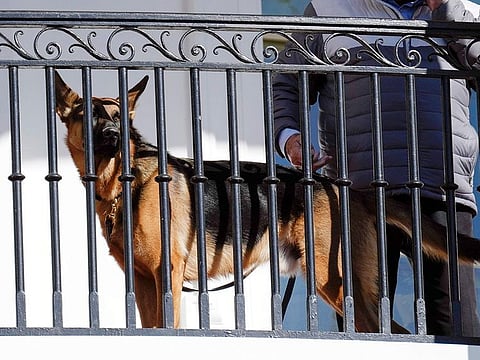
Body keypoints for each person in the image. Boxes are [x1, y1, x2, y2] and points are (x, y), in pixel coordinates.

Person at [273, 0, 480, 336]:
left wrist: (448, 11)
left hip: (443, 187)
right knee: (365, 326)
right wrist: (291, 138)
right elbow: (288, 82)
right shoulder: (328, 9)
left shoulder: (463, 13)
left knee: (456, 327)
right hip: (359, 194)